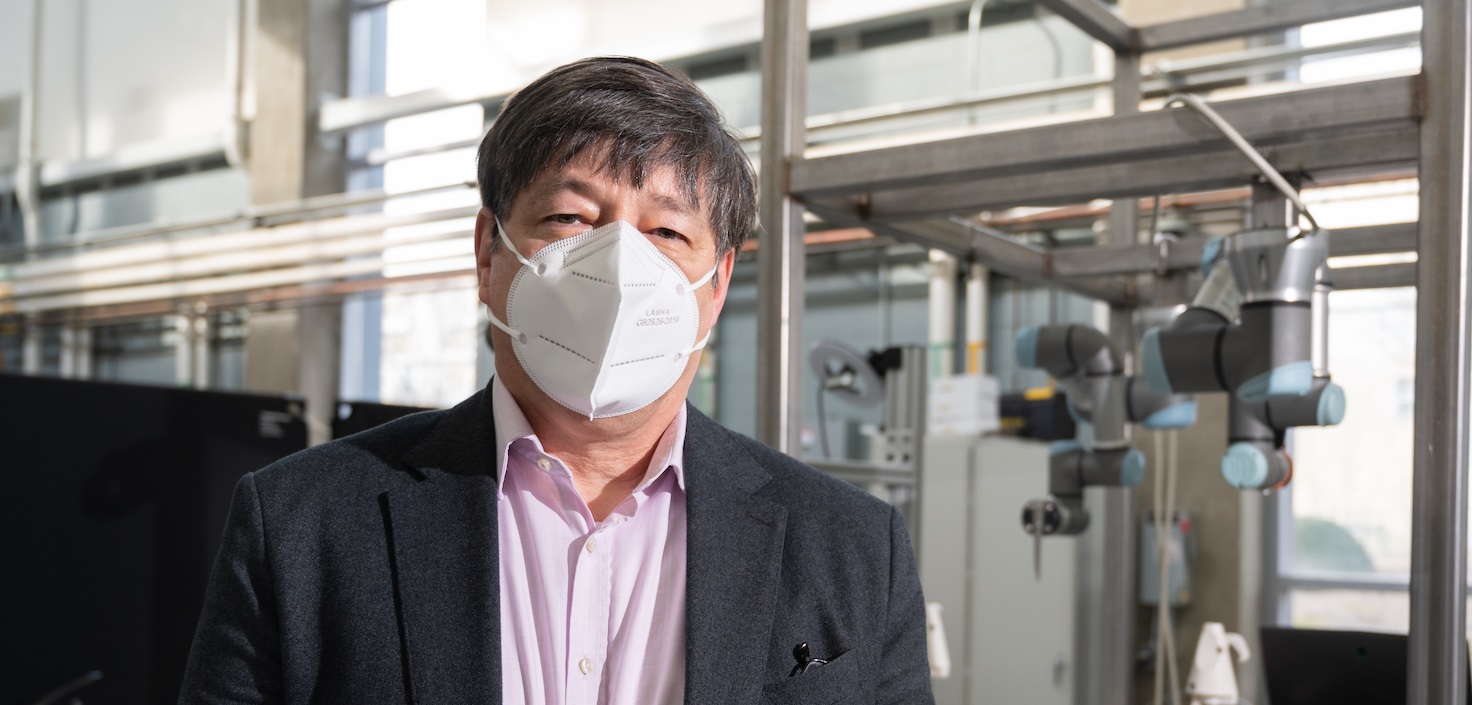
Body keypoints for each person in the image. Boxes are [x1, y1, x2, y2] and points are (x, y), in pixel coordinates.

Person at [179, 56, 934, 705]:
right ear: (488, 252)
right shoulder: (303, 521)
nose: (618, 263)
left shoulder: (854, 547)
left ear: (717, 282)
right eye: (571, 218)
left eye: (667, 231)